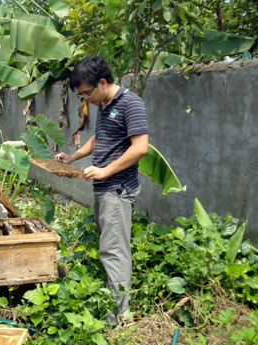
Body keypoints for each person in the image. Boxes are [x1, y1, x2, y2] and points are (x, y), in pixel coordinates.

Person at [55, 55, 149, 327]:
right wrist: (73, 158)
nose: (85, 100)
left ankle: (120, 317)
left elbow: (140, 147)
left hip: (117, 189)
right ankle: (114, 307)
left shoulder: (131, 104)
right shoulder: (106, 105)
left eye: (86, 93)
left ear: (103, 82)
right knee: (109, 247)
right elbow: (99, 138)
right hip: (104, 189)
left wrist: (107, 170)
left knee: (114, 250)